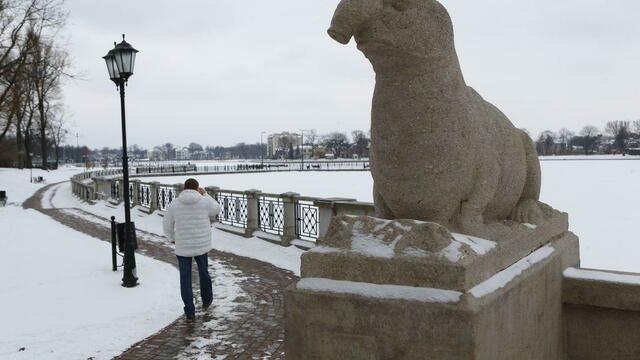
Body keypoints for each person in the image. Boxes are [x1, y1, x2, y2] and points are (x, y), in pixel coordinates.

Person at [163, 178, 221, 321]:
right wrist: (206, 194)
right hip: (201, 245)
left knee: (185, 277)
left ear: (184, 188)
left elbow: (167, 223)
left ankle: (189, 310)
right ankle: (207, 300)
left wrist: (171, 237)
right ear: (197, 188)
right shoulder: (204, 201)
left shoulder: (174, 204)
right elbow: (217, 209)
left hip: (183, 246)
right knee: (204, 272)